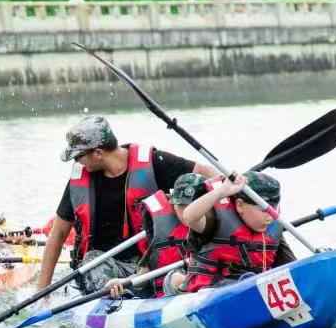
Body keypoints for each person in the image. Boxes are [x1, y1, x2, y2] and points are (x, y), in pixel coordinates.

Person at [38, 115, 218, 294]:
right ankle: (120, 296)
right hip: (108, 270)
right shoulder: (79, 182)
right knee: (92, 261)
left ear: (98, 153)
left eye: (78, 156)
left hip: (153, 264)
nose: (76, 162)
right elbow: (58, 234)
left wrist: (227, 190)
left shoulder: (155, 163)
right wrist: (42, 293)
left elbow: (208, 174)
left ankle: (167, 286)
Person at [179, 170, 296, 292]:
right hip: (210, 293)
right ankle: (176, 281)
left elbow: (293, 267)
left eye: (273, 209)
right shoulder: (213, 219)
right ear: (240, 205)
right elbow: (189, 217)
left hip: (252, 290)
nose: (270, 216)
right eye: (263, 209)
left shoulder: (273, 227)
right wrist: (221, 192)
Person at [105, 172, 208, 299]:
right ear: (173, 203)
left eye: (192, 205)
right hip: (171, 295)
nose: (185, 211)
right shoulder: (161, 227)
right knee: (175, 278)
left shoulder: (222, 222)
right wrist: (123, 283)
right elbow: (144, 275)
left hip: (211, 283)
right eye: (180, 205)